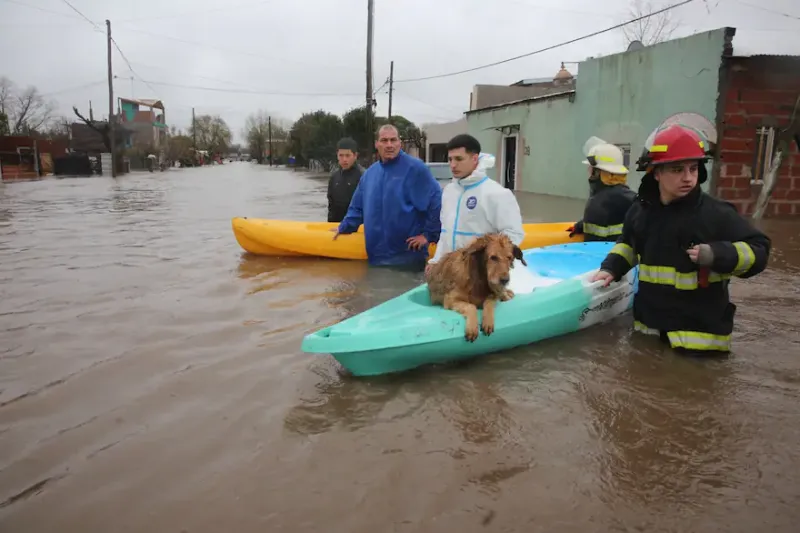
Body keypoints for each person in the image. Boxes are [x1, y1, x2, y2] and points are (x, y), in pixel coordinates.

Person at [591, 124, 771, 354]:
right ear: (656, 173)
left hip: (700, 344)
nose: (688, 178)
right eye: (677, 170)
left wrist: (718, 254)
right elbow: (628, 244)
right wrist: (611, 268)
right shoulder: (640, 210)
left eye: (693, 169)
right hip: (649, 335)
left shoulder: (716, 214)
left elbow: (760, 249)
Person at [333, 124, 442, 270]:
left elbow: (436, 202)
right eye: (384, 140)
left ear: (400, 143)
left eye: (393, 140)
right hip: (376, 257)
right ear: (376, 144)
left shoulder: (416, 169)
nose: (389, 145)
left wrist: (429, 235)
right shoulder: (370, 174)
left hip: (408, 258)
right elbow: (357, 209)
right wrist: (343, 227)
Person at [426, 133, 524, 275]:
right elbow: (446, 233)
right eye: (450, 159)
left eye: (459, 159)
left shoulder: (497, 194)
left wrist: (491, 267)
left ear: (474, 158)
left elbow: (513, 235)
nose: (453, 165)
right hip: (451, 271)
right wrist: (436, 261)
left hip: (480, 274)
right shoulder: (449, 191)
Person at [568, 141, 637, 241]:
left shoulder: (600, 200)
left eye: (591, 168)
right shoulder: (623, 197)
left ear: (599, 172)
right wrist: (580, 225)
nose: (588, 171)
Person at [327, 137, 364, 223]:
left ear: (355, 156)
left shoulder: (363, 176)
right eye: (341, 155)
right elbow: (331, 207)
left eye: (347, 155)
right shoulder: (334, 177)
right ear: (337, 155)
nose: (344, 159)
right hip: (336, 226)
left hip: (357, 228)